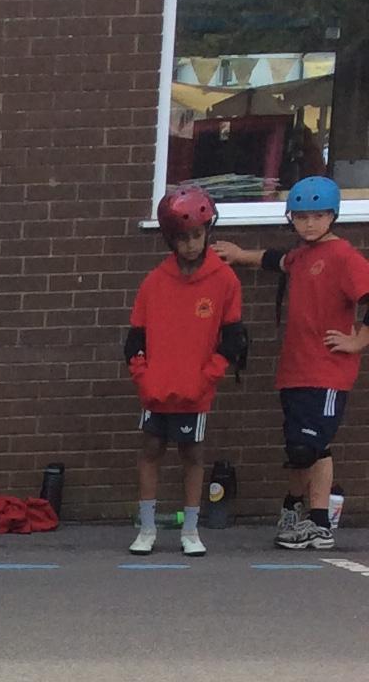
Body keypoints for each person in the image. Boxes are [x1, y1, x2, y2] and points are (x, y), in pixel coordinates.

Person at [217, 173, 369, 550]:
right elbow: (276, 260)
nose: (310, 224)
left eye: (318, 216)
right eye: (301, 217)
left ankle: (319, 524)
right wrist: (239, 255)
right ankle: (294, 509)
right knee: (299, 449)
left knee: (312, 447)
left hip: (327, 371)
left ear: (333, 216)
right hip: (295, 370)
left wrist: (357, 342)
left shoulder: (344, 256)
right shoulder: (302, 255)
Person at [121, 184, 245, 555]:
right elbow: (135, 340)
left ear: (208, 232)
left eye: (196, 235)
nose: (190, 244)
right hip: (156, 390)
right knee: (151, 450)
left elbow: (232, 340)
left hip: (196, 391)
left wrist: (208, 378)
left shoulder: (224, 281)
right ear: (170, 240)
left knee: (192, 455)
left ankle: (190, 530)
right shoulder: (154, 282)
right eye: (182, 238)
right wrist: (144, 379)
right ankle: (146, 528)